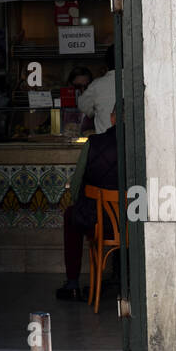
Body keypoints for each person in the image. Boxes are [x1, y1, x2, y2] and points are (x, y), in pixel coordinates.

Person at [56, 110, 119, 301]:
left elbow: (75, 187)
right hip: (132, 222)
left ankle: (72, 283)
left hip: (97, 221)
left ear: (112, 117)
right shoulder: (143, 143)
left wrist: (83, 203)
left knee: (71, 215)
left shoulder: (93, 143)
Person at [77, 44, 117, 133]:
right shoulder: (137, 82)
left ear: (106, 63)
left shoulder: (97, 86)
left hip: (105, 143)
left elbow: (83, 107)